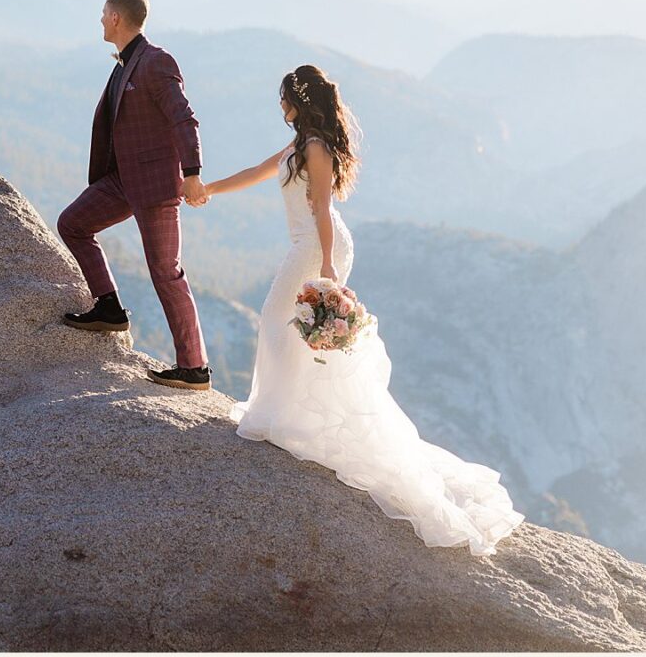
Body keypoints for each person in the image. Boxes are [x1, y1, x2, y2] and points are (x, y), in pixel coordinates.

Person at [202, 64, 525, 555]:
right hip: (310, 244)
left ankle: (276, 414)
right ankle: (283, 412)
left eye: (283, 98)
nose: (279, 106)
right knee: (284, 328)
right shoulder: (298, 143)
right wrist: (207, 189)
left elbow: (322, 210)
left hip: (317, 246)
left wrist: (328, 265)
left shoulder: (314, 147)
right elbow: (255, 172)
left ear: (297, 100)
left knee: (274, 319)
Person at [57, 0, 213, 391]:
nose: (99, 19)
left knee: (165, 272)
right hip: (121, 180)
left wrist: (192, 172)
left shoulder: (155, 62)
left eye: (103, 12)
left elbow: (184, 119)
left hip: (156, 186)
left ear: (116, 17)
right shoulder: (124, 63)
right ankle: (108, 307)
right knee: (72, 223)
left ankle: (194, 368)